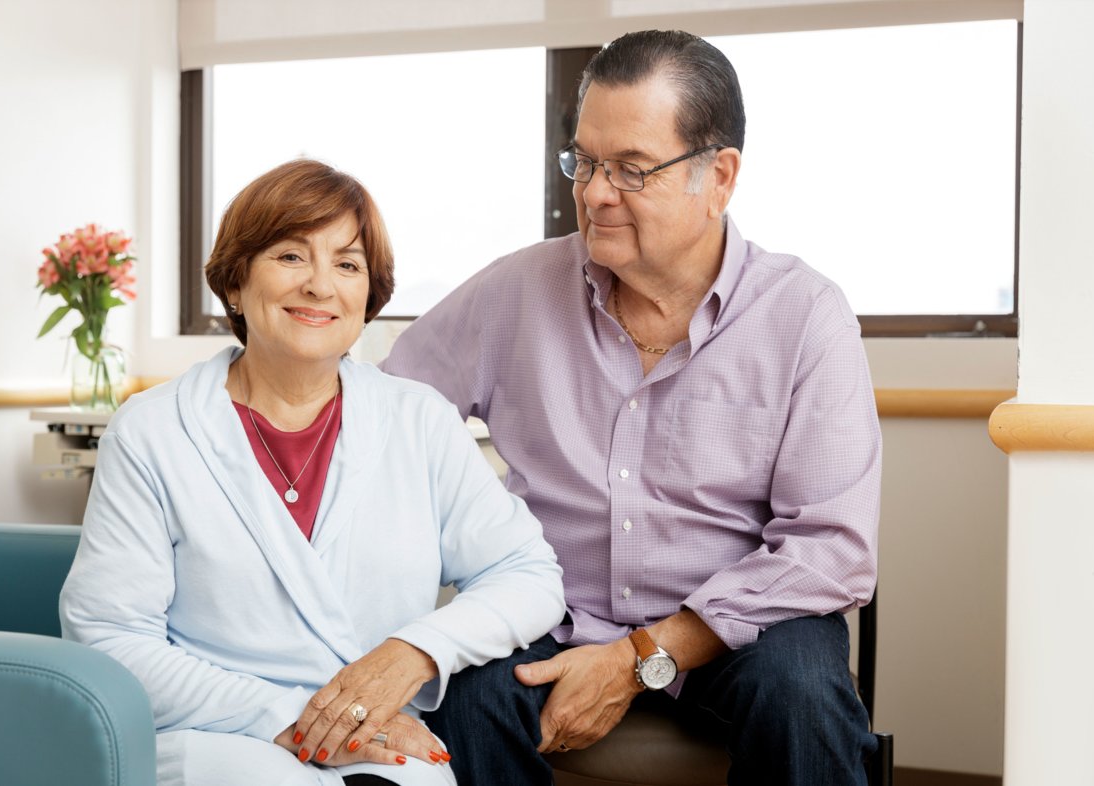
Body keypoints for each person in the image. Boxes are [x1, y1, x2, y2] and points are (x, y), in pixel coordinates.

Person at [382, 29, 881, 786]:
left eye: (630, 168)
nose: (592, 192)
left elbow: (832, 549)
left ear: (719, 176)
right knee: (469, 698)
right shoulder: (515, 290)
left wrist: (641, 656)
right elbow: (385, 418)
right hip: (552, 612)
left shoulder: (805, 314)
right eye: (582, 162)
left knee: (802, 693)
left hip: (738, 629)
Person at [60, 159, 566, 786]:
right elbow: (111, 641)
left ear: (368, 299)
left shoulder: (419, 421)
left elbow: (527, 575)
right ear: (236, 284)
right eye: (291, 257)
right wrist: (299, 717)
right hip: (216, 735)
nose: (321, 286)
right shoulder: (151, 431)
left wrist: (415, 653)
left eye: (348, 265)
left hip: (384, 735)